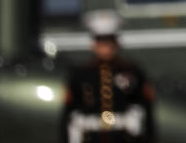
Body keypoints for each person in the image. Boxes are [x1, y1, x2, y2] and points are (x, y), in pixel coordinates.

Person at [63, 10, 155, 143]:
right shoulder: (80, 74)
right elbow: (69, 113)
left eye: (109, 40)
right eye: (101, 41)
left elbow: (146, 109)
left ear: (117, 42)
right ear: (93, 44)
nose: (106, 46)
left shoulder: (132, 71)